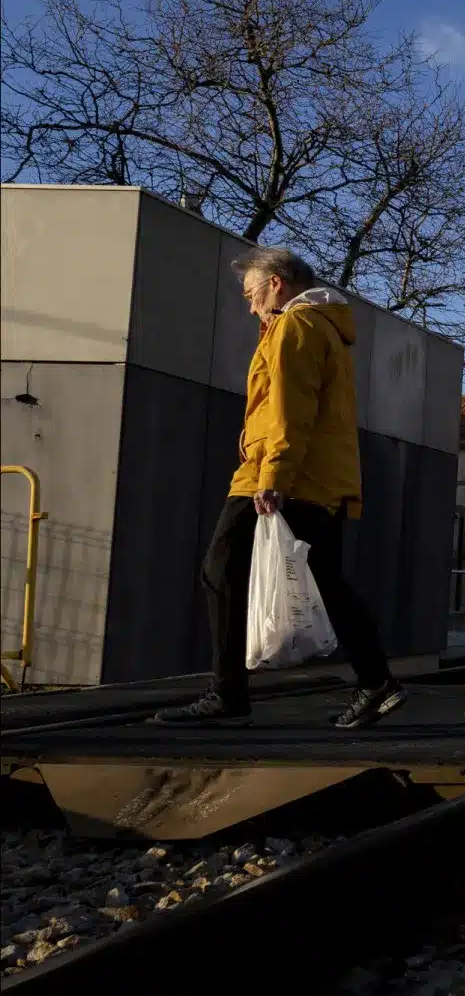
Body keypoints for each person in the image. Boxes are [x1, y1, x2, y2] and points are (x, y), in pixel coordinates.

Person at [155, 247, 406, 728]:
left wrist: (273, 480)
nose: (250, 307)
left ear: (276, 283)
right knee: (327, 579)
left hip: (283, 475)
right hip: (319, 478)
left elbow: (290, 412)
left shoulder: (295, 327)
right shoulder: (321, 327)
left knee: (220, 568)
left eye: (251, 295)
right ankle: (377, 682)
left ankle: (228, 692)